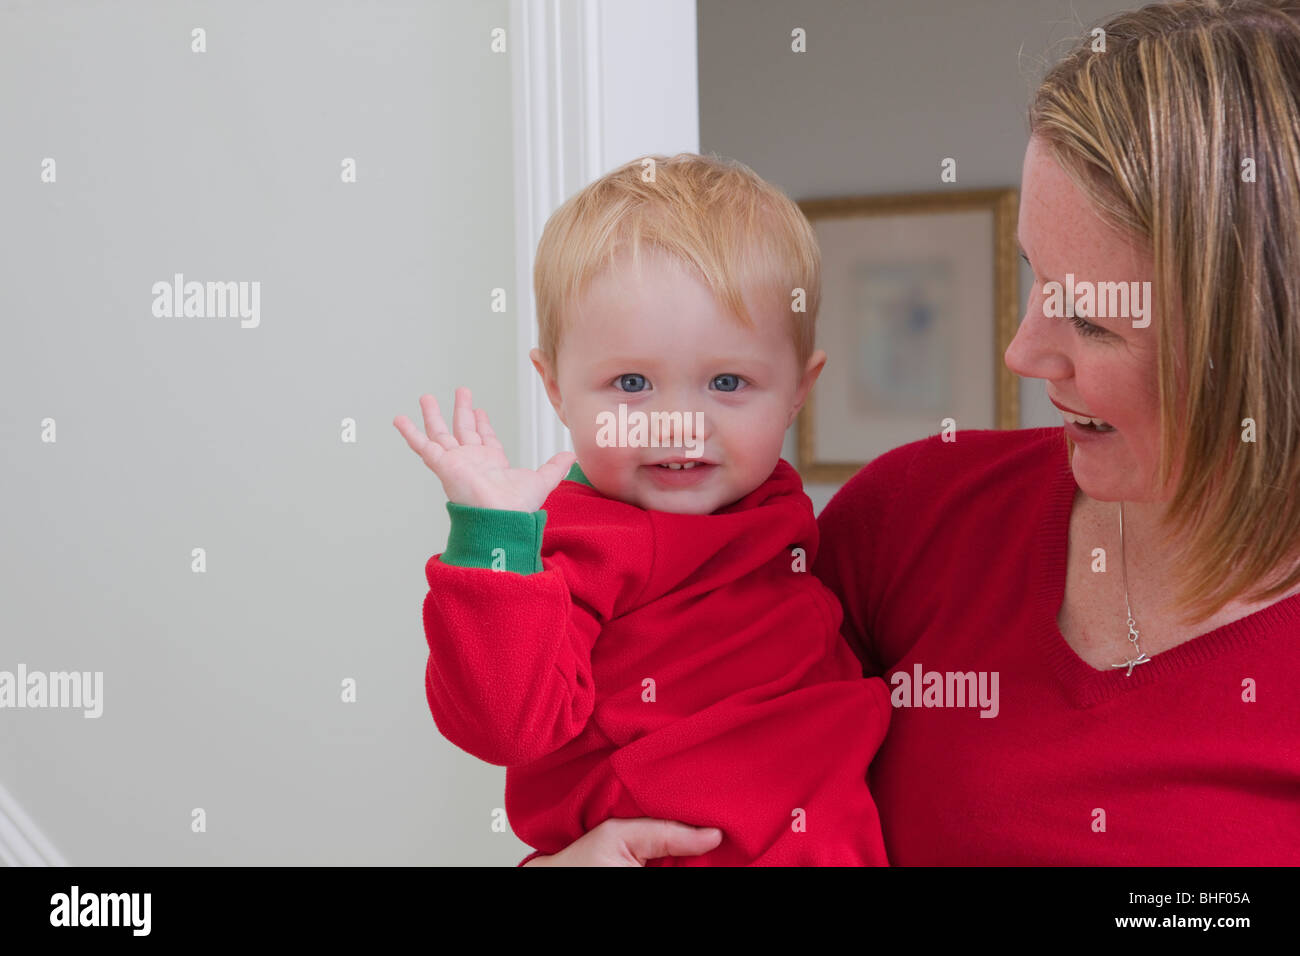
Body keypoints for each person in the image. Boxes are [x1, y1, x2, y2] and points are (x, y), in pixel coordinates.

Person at [523, 0, 1300, 866]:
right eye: (1035, 279)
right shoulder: (918, 516)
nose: (1021, 351)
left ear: (1255, 340)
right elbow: (647, 754)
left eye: (1090, 320)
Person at [395, 153, 893, 865]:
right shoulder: (584, 542)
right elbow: (504, 726)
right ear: (556, 387)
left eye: (727, 381)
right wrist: (493, 539)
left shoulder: (780, 509)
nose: (677, 425)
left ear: (798, 389)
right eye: (632, 382)